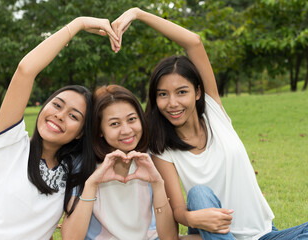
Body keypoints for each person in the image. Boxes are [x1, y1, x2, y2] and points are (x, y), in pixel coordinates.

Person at [111, 7, 308, 240]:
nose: (172, 103)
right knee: (199, 195)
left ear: (197, 92)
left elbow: (194, 42)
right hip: (217, 233)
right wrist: (191, 219)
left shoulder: (214, 112)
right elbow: (179, 210)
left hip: (265, 234)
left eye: (181, 92)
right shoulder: (162, 148)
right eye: (162, 94)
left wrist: (138, 14)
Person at [0, 16, 120, 240]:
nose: (59, 115)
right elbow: (25, 70)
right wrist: (77, 24)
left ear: (80, 132)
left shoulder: (73, 171)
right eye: (57, 105)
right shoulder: (9, 143)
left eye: (73, 116)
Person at [61, 85, 200, 240]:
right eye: (114, 124)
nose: (127, 130)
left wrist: (157, 184)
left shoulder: (150, 158)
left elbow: (169, 237)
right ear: (99, 130)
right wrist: (92, 184)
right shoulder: (83, 164)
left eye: (132, 119)